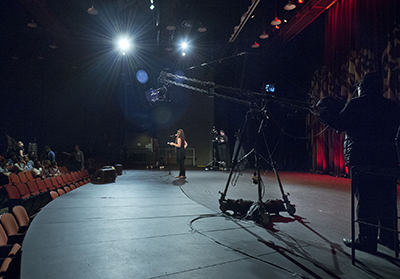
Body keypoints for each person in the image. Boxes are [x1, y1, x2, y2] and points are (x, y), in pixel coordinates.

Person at [316, 72, 400, 253]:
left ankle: (367, 240)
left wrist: (322, 115)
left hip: (362, 159)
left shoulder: (357, 103)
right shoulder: (392, 106)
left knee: (366, 199)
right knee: (387, 199)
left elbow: (340, 124)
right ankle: (389, 237)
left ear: (363, 87)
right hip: (388, 160)